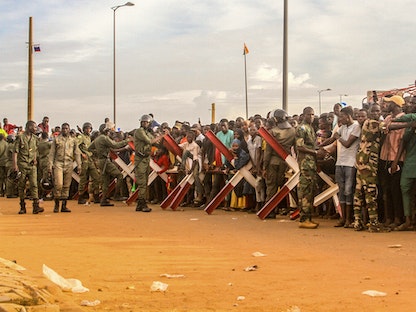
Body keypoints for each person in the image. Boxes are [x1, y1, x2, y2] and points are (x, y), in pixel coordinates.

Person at [352, 104, 390, 232]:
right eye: (373, 111)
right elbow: (388, 127)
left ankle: (358, 221)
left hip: (361, 160)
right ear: (369, 113)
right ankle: (373, 222)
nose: (376, 113)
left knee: (358, 191)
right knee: (370, 191)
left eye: (378, 111)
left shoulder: (366, 123)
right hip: (368, 161)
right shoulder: (372, 123)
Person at [263, 109, 296, 218]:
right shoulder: (293, 131)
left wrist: (264, 166)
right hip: (285, 162)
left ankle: (270, 211)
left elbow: (268, 152)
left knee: (271, 187)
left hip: (273, 162)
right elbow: (295, 148)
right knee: (283, 186)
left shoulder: (273, 131)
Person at [88, 123, 131, 207]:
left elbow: (89, 148)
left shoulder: (97, 139)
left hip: (100, 160)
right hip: (105, 161)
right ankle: (116, 195)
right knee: (119, 176)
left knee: (105, 181)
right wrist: (127, 141)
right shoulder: (104, 138)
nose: (109, 133)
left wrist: (98, 153)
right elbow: (115, 145)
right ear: (105, 131)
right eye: (108, 131)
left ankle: (104, 199)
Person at [379, 95, 405, 228]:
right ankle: (388, 218)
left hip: (396, 159)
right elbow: (383, 127)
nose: (386, 105)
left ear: (395, 104)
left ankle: (397, 218)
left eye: (389, 103)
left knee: (395, 190)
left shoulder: (403, 118)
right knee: (386, 190)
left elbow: (402, 143)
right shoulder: (389, 118)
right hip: (385, 158)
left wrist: (395, 161)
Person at [332, 106, 361, 228]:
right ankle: (343, 218)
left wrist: (338, 137)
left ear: (348, 116)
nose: (340, 120)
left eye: (342, 117)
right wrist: (319, 148)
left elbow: (348, 144)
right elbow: (331, 139)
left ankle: (349, 218)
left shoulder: (356, 127)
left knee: (349, 191)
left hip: (350, 163)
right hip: (340, 162)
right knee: (341, 191)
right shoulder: (342, 127)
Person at [48, 123, 81, 213]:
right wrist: (50, 165)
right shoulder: (56, 140)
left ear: (69, 129)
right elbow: (52, 153)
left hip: (69, 163)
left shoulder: (73, 140)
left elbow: (77, 153)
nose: (65, 130)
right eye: (63, 128)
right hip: (58, 163)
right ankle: (56, 204)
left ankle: (64, 206)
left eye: (66, 128)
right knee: (58, 184)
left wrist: (79, 165)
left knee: (66, 185)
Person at [13, 120, 44, 214]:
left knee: (34, 185)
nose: (35, 129)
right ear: (29, 127)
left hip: (31, 165)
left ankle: (36, 206)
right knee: (21, 185)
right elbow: (15, 152)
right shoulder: (20, 138)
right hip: (22, 164)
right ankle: (22, 206)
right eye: (34, 127)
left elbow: (35, 150)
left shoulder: (35, 138)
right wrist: (15, 166)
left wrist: (35, 159)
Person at [295, 107, 319, 229]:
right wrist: (314, 152)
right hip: (305, 164)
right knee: (305, 191)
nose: (311, 117)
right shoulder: (302, 128)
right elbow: (300, 147)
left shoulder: (310, 128)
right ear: (304, 115)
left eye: (313, 114)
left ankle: (308, 217)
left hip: (311, 164)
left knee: (310, 191)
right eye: (309, 114)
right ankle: (304, 219)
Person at [134, 114, 161, 212]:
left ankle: (140, 204)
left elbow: (155, 142)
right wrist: (162, 136)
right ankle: (142, 203)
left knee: (145, 182)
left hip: (145, 158)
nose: (145, 123)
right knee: (142, 183)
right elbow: (149, 141)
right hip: (140, 159)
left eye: (146, 122)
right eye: (143, 122)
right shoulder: (140, 131)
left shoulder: (146, 132)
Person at [77, 122, 100, 204]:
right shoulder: (81, 137)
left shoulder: (89, 138)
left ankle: (96, 196)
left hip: (90, 159)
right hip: (84, 160)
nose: (88, 130)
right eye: (87, 128)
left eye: (90, 128)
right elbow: (75, 146)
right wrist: (81, 153)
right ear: (84, 129)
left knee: (96, 177)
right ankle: (80, 197)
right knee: (83, 178)